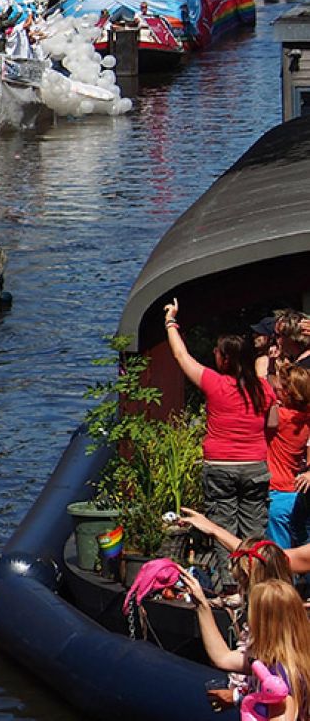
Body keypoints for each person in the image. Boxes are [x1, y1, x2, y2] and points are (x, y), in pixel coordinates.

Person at [166, 299, 274, 566]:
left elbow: (182, 356)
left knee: (222, 528)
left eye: (217, 351)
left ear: (224, 358)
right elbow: (273, 424)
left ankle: (229, 585)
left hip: (220, 465)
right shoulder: (263, 389)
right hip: (254, 465)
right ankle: (253, 582)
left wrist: (171, 321)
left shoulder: (215, 384)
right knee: (254, 530)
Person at [179, 573, 310, 718]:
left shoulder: (279, 675)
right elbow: (222, 657)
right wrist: (202, 604)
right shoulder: (272, 659)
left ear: (263, 623)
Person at [264, 365, 310, 549]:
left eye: (279, 389)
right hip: (294, 491)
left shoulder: (281, 419)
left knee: (280, 554)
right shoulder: (305, 417)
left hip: (276, 491)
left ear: (288, 394)